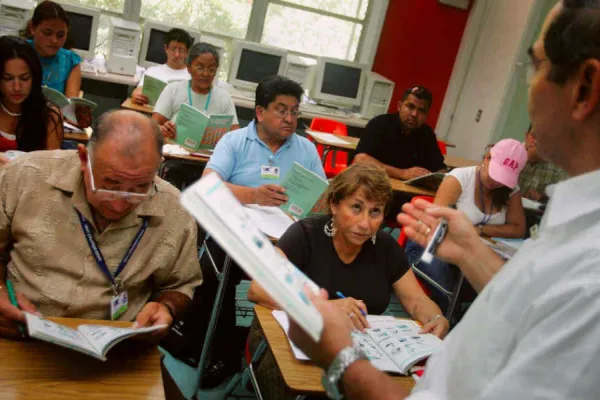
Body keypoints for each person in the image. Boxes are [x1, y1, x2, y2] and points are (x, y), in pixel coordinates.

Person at [287, 1, 600, 398]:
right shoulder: (578, 229)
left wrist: (343, 361)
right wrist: (472, 252)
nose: (530, 90)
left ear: (584, 88)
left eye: (536, 66)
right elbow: (535, 305)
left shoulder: (590, 275)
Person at [246, 163, 448, 400]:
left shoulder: (385, 248)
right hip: (291, 342)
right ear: (334, 205)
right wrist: (325, 308)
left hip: (360, 351)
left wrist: (436, 318)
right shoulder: (305, 234)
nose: (365, 223)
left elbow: (416, 300)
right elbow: (257, 289)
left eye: (375, 212)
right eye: (356, 208)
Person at [0, 110, 202, 340]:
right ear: (84, 158)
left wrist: (167, 308)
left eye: (140, 188)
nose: (119, 205)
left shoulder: (175, 209)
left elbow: (182, 285)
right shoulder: (25, 177)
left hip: (120, 345)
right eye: (110, 185)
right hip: (20, 330)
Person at [195, 75, 325, 387]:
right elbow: (207, 184)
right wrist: (252, 195)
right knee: (221, 276)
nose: (290, 119)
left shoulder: (306, 148)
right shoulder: (235, 141)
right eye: (281, 110)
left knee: (315, 275)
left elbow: (323, 197)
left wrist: (314, 205)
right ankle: (225, 353)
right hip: (240, 231)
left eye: (295, 112)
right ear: (260, 112)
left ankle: (282, 359)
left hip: (288, 236)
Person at [404, 138, 527, 311]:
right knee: (449, 293)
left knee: (496, 285)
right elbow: (436, 225)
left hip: (471, 249)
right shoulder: (459, 178)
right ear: (487, 158)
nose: (496, 182)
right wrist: (473, 237)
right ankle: (449, 317)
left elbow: (518, 228)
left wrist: (478, 231)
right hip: (430, 245)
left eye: (503, 178)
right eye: (495, 173)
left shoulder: (510, 189)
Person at [353, 85, 446, 181]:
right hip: (374, 183)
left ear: (427, 115)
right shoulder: (380, 123)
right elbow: (361, 160)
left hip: (409, 192)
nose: (414, 114)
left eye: (421, 110)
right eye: (410, 107)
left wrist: (435, 178)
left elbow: (440, 169)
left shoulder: (427, 134)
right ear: (399, 106)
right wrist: (403, 173)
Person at [152, 42, 239, 139]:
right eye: (200, 68)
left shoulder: (224, 98)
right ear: (189, 68)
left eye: (211, 69)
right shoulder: (173, 90)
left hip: (209, 153)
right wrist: (164, 129)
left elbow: (235, 135)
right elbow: (153, 126)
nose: (206, 74)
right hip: (175, 151)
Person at [0, 36, 63, 166]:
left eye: (24, 78)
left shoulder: (49, 116)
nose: (17, 87)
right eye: (8, 78)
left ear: (34, 78)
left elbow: (52, 172)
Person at [22, 1, 81, 98]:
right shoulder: (18, 52)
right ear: (32, 28)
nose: (54, 40)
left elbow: (69, 107)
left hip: (56, 113)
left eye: (60, 35)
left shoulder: (71, 61)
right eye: (47, 33)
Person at [131, 28, 194, 106]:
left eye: (181, 50)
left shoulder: (192, 77)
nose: (176, 54)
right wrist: (136, 95)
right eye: (173, 49)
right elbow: (138, 90)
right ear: (166, 48)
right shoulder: (152, 71)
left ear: (187, 52)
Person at [520, 124, 568, 202]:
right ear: (526, 136)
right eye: (534, 136)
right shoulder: (510, 154)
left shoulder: (556, 167)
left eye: (544, 139)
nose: (537, 141)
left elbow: (563, 198)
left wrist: (542, 198)